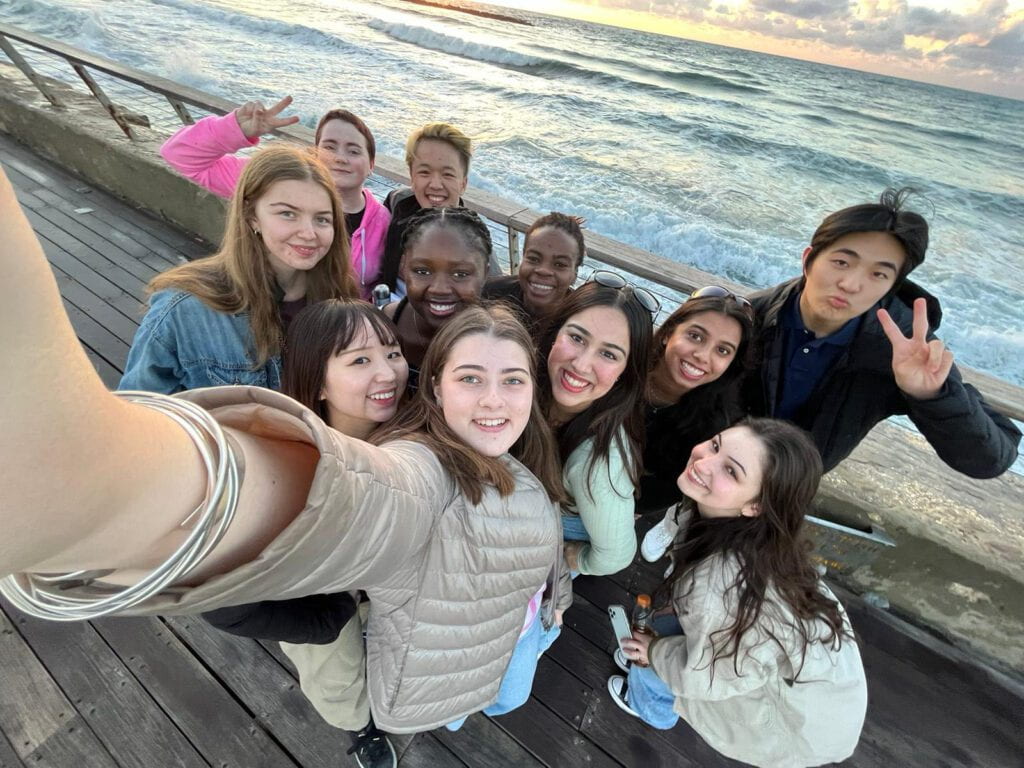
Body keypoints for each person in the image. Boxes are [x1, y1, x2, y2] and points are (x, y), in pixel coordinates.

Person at [0, 169, 570, 736]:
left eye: (322, 217)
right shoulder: (409, 462)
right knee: (348, 699)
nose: (493, 398)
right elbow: (356, 493)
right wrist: (105, 491)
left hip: (432, 644)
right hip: (343, 620)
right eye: (470, 378)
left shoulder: (349, 318)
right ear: (439, 385)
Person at [200, 299, 407, 767]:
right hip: (317, 595)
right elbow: (221, 601)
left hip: (384, 583)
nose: (388, 372)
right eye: (360, 360)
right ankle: (360, 725)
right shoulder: (290, 467)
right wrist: (322, 616)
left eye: (392, 352)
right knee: (336, 671)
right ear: (317, 384)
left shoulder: (414, 436)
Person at [607, 419, 868, 768]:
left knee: (657, 659)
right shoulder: (758, 536)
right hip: (809, 679)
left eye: (731, 470)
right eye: (715, 445)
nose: (703, 462)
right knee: (667, 634)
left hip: (792, 722)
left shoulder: (719, 587)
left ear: (755, 505)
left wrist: (654, 652)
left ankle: (649, 707)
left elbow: (701, 677)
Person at [746, 188, 1020, 478]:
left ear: (891, 286)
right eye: (841, 262)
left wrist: (930, 394)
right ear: (808, 260)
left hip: (787, 493)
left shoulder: (901, 351)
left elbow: (992, 457)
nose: (851, 284)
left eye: (878, 274)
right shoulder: (751, 316)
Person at [120, 144, 358, 393]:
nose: (309, 234)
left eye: (321, 219)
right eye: (288, 214)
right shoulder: (185, 309)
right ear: (251, 216)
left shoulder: (339, 296)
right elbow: (140, 407)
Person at [160, 96, 389, 300]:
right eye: (329, 147)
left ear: (370, 164)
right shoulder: (275, 184)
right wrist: (236, 129)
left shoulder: (384, 221)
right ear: (315, 152)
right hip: (260, 311)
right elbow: (179, 154)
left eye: (353, 151)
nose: (340, 158)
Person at [536, 273, 656, 576]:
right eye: (576, 337)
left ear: (626, 372)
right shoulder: (521, 383)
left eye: (608, 354)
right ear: (555, 332)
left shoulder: (600, 462)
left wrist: (572, 558)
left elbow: (616, 555)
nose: (581, 364)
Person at [637, 287, 756, 564]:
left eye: (722, 350)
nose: (703, 355)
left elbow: (661, 493)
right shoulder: (620, 365)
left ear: (731, 363)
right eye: (695, 336)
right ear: (669, 332)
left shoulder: (712, 430)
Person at [384, 206, 490, 391]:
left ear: (485, 274)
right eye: (422, 271)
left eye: (460, 274)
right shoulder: (384, 325)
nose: (439, 289)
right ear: (403, 268)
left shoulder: (499, 342)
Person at [378, 122, 473, 298]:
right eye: (424, 172)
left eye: (448, 174)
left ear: (463, 183)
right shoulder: (397, 203)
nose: (435, 185)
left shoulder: (475, 243)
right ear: (412, 176)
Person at [483, 212, 586, 333]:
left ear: (575, 273)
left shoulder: (583, 322)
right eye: (534, 259)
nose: (543, 271)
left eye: (560, 264)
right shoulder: (487, 296)